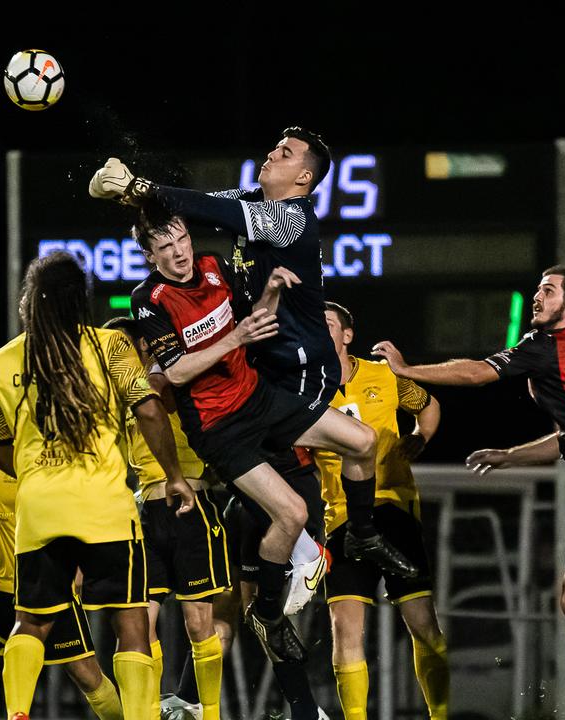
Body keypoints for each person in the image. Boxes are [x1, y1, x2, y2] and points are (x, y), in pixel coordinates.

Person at [372, 267, 565, 720]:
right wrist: (509, 455)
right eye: (537, 289)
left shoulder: (548, 347)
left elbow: (477, 373)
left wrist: (406, 369)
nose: (536, 297)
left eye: (548, 291)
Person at [126, 210, 413, 672]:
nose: (179, 252)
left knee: (361, 441)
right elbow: (176, 372)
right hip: (218, 427)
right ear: (149, 255)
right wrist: (233, 338)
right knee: (292, 514)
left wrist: (273, 293)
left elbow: (253, 321)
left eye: (180, 239)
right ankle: (267, 613)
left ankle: (361, 535)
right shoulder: (149, 298)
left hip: (259, 399)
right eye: (165, 248)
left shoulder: (214, 265)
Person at [0, 252, 196, 720]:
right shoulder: (110, 348)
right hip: (104, 508)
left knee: (30, 623)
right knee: (131, 620)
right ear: (82, 300)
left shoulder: (3, 361)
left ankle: (16, 713)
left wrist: (36, 472)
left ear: (31, 301)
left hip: (39, 511)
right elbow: (151, 409)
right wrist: (174, 476)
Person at [0, 367, 120, 720]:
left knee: (86, 675)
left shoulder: (28, 448)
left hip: (42, 579)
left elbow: (66, 501)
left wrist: (78, 559)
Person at [315, 302, 448, 720]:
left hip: (393, 509)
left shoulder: (382, 375)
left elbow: (427, 404)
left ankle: (440, 714)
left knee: (422, 624)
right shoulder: (304, 388)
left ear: (347, 335)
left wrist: (420, 437)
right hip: (339, 517)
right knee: (345, 626)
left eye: (328, 324)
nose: (318, 330)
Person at [105, 317, 230, 720]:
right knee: (137, 626)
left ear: (143, 346)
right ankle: (145, 712)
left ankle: (208, 713)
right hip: (146, 512)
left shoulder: (171, 379)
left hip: (191, 506)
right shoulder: (119, 395)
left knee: (198, 623)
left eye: (120, 345)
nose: (113, 356)